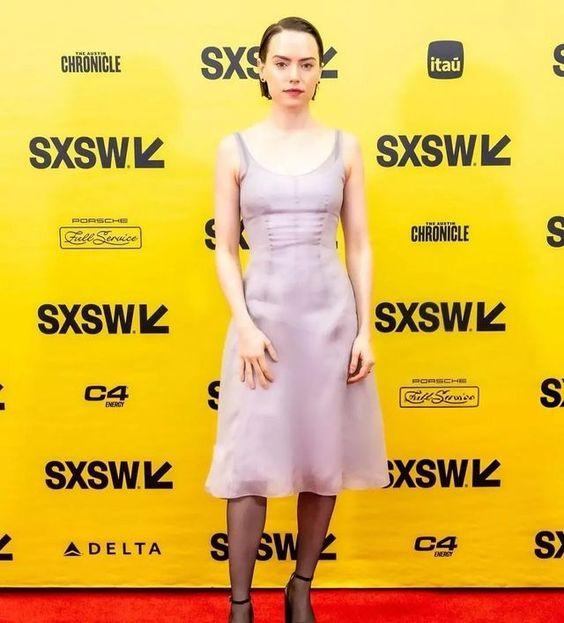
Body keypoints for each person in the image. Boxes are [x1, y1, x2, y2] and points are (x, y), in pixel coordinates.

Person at [204, 15, 391, 623]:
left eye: (306, 64)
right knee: (249, 463)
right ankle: (239, 603)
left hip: (329, 319)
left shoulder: (346, 146)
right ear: (260, 68)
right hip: (263, 323)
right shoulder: (234, 147)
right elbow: (226, 249)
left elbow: (358, 243)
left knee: (321, 457)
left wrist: (364, 328)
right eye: (282, 63)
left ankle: (301, 588)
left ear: (320, 71)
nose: (294, 74)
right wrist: (246, 325)